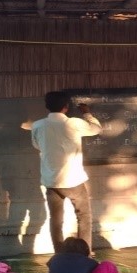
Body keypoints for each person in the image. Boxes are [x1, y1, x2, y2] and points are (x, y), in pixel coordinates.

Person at [31, 91, 102, 253]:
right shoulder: (74, 123)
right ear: (66, 107)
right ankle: (84, 253)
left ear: (47, 106)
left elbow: (37, 146)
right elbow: (96, 129)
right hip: (73, 180)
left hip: (51, 180)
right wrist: (87, 113)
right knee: (84, 217)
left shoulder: (37, 126)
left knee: (56, 220)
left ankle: (59, 253)